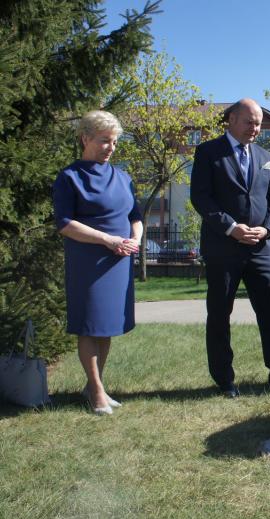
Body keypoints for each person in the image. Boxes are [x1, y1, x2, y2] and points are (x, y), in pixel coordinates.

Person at [190, 98, 270, 398]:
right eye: (249, 122)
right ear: (232, 120)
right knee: (219, 313)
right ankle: (224, 380)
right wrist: (231, 227)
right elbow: (201, 198)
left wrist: (267, 229)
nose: (255, 128)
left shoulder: (264, 154)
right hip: (222, 247)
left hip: (260, 249)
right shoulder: (207, 152)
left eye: (258, 123)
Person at [52, 110, 141, 416]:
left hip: (119, 261)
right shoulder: (69, 177)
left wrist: (134, 240)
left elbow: (135, 217)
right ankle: (97, 392)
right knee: (89, 326)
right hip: (88, 261)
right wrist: (108, 240)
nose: (111, 147)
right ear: (85, 138)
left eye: (114, 142)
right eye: (105, 140)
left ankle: (94, 385)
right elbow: (65, 224)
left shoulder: (123, 177)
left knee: (106, 326)